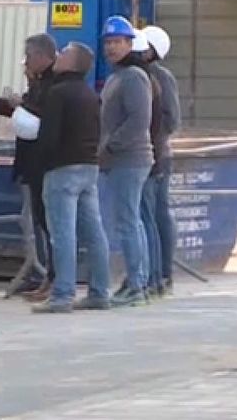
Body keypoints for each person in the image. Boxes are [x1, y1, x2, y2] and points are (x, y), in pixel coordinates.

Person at [30, 42, 112, 314]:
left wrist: (40, 161)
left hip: (61, 169)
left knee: (62, 234)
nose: (59, 56)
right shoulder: (91, 95)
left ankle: (62, 295)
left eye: (64, 53)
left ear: (72, 63)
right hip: (89, 167)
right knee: (94, 232)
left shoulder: (58, 93)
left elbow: (49, 137)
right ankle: (100, 291)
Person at [0, 34, 58, 300]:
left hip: (44, 163)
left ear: (41, 57)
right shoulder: (38, 85)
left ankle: (54, 277)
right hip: (32, 163)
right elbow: (24, 111)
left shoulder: (53, 86)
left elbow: (40, 114)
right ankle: (46, 275)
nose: (25, 64)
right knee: (39, 220)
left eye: (28, 57)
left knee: (51, 223)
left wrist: (21, 104)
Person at [97, 16, 156, 307]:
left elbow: (139, 120)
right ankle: (135, 282)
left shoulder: (133, 77)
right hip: (120, 159)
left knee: (128, 222)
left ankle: (136, 284)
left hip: (129, 159)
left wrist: (110, 145)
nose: (111, 48)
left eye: (117, 42)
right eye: (107, 43)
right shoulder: (116, 77)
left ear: (129, 43)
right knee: (129, 221)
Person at [140, 25, 181, 298]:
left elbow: (171, 120)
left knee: (154, 216)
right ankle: (160, 274)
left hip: (155, 157)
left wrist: (152, 142)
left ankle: (161, 273)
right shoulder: (144, 75)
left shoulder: (157, 78)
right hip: (156, 154)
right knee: (156, 215)